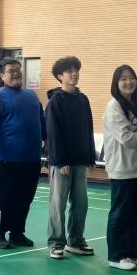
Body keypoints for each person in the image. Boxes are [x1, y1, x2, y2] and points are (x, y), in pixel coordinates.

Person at [0, 58, 46, 250]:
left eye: (18, 70)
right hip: (6, 159)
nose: (16, 73)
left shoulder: (32, 96)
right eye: (11, 71)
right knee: (3, 198)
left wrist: (47, 144)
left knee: (25, 198)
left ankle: (17, 232)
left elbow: (42, 123)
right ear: (2, 76)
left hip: (32, 159)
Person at [102, 64, 137, 271]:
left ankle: (133, 251)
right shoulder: (114, 107)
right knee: (120, 214)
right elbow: (127, 138)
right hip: (122, 169)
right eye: (123, 79)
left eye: (131, 77)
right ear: (116, 83)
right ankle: (116, 255)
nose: (128, 82)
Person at [44, 56, 96, 260]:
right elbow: (53, 133)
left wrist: (90, 155)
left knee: (81, 203)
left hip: (80, 160)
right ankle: (56, 242)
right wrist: (60, 160)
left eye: (76, 70)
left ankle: (76, 240)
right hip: (61, 163)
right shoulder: (55, 101)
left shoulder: (83, 99)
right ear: (60, 76)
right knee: (58, 203)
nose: (74, 74)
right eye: (69, 71)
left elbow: (88, 128)